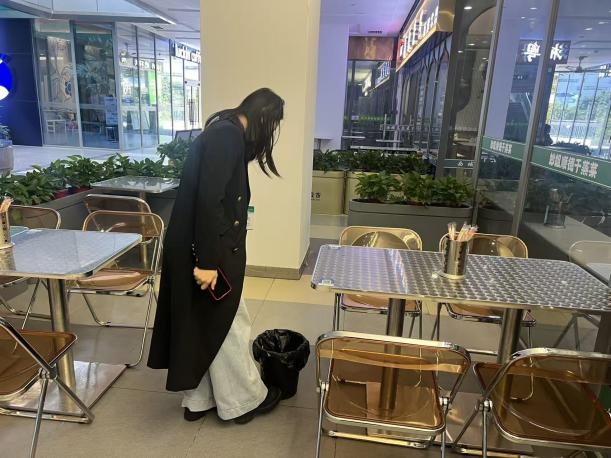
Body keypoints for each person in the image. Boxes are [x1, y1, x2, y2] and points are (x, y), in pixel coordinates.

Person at [148, 88, 285, 424]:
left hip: (193, 243)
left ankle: (199, 400)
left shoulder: (223, 128)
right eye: (272, 125)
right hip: (208, 249)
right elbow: (210, 202)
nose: (270, 133)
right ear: (264, 118)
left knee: (199, 321)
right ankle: (243, 401)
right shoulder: (228, 137)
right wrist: (208, 263)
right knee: (229, 322)